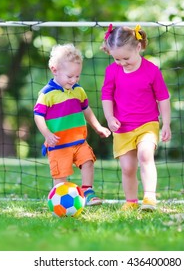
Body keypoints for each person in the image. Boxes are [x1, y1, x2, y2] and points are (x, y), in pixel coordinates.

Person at [101, 24, 172, 211]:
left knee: (145, 155)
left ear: (138, 48)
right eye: (117, 59)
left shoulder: (152, 70)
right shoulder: (112, 72)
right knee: (128, 168)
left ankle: (149, 198)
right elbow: (106, 96)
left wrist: (166, 124)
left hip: (147, 124)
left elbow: (163, 98)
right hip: (122, 127)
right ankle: (131, 202)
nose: (122, 63)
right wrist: (109, 118)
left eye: (126, 58)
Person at [34, 43, 111, 206]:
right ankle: (60, 204)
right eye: (70, 77)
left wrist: (98, 127)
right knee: (61, 177)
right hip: (58, 145)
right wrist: (47, 134)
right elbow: (38, 116)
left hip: (79, 141)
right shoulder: (47, 94)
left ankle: (88, 192)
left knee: (88, 161)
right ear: (55, 70)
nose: (74, 80)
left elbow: (87, 110)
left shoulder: (78, 91)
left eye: (77, 76)